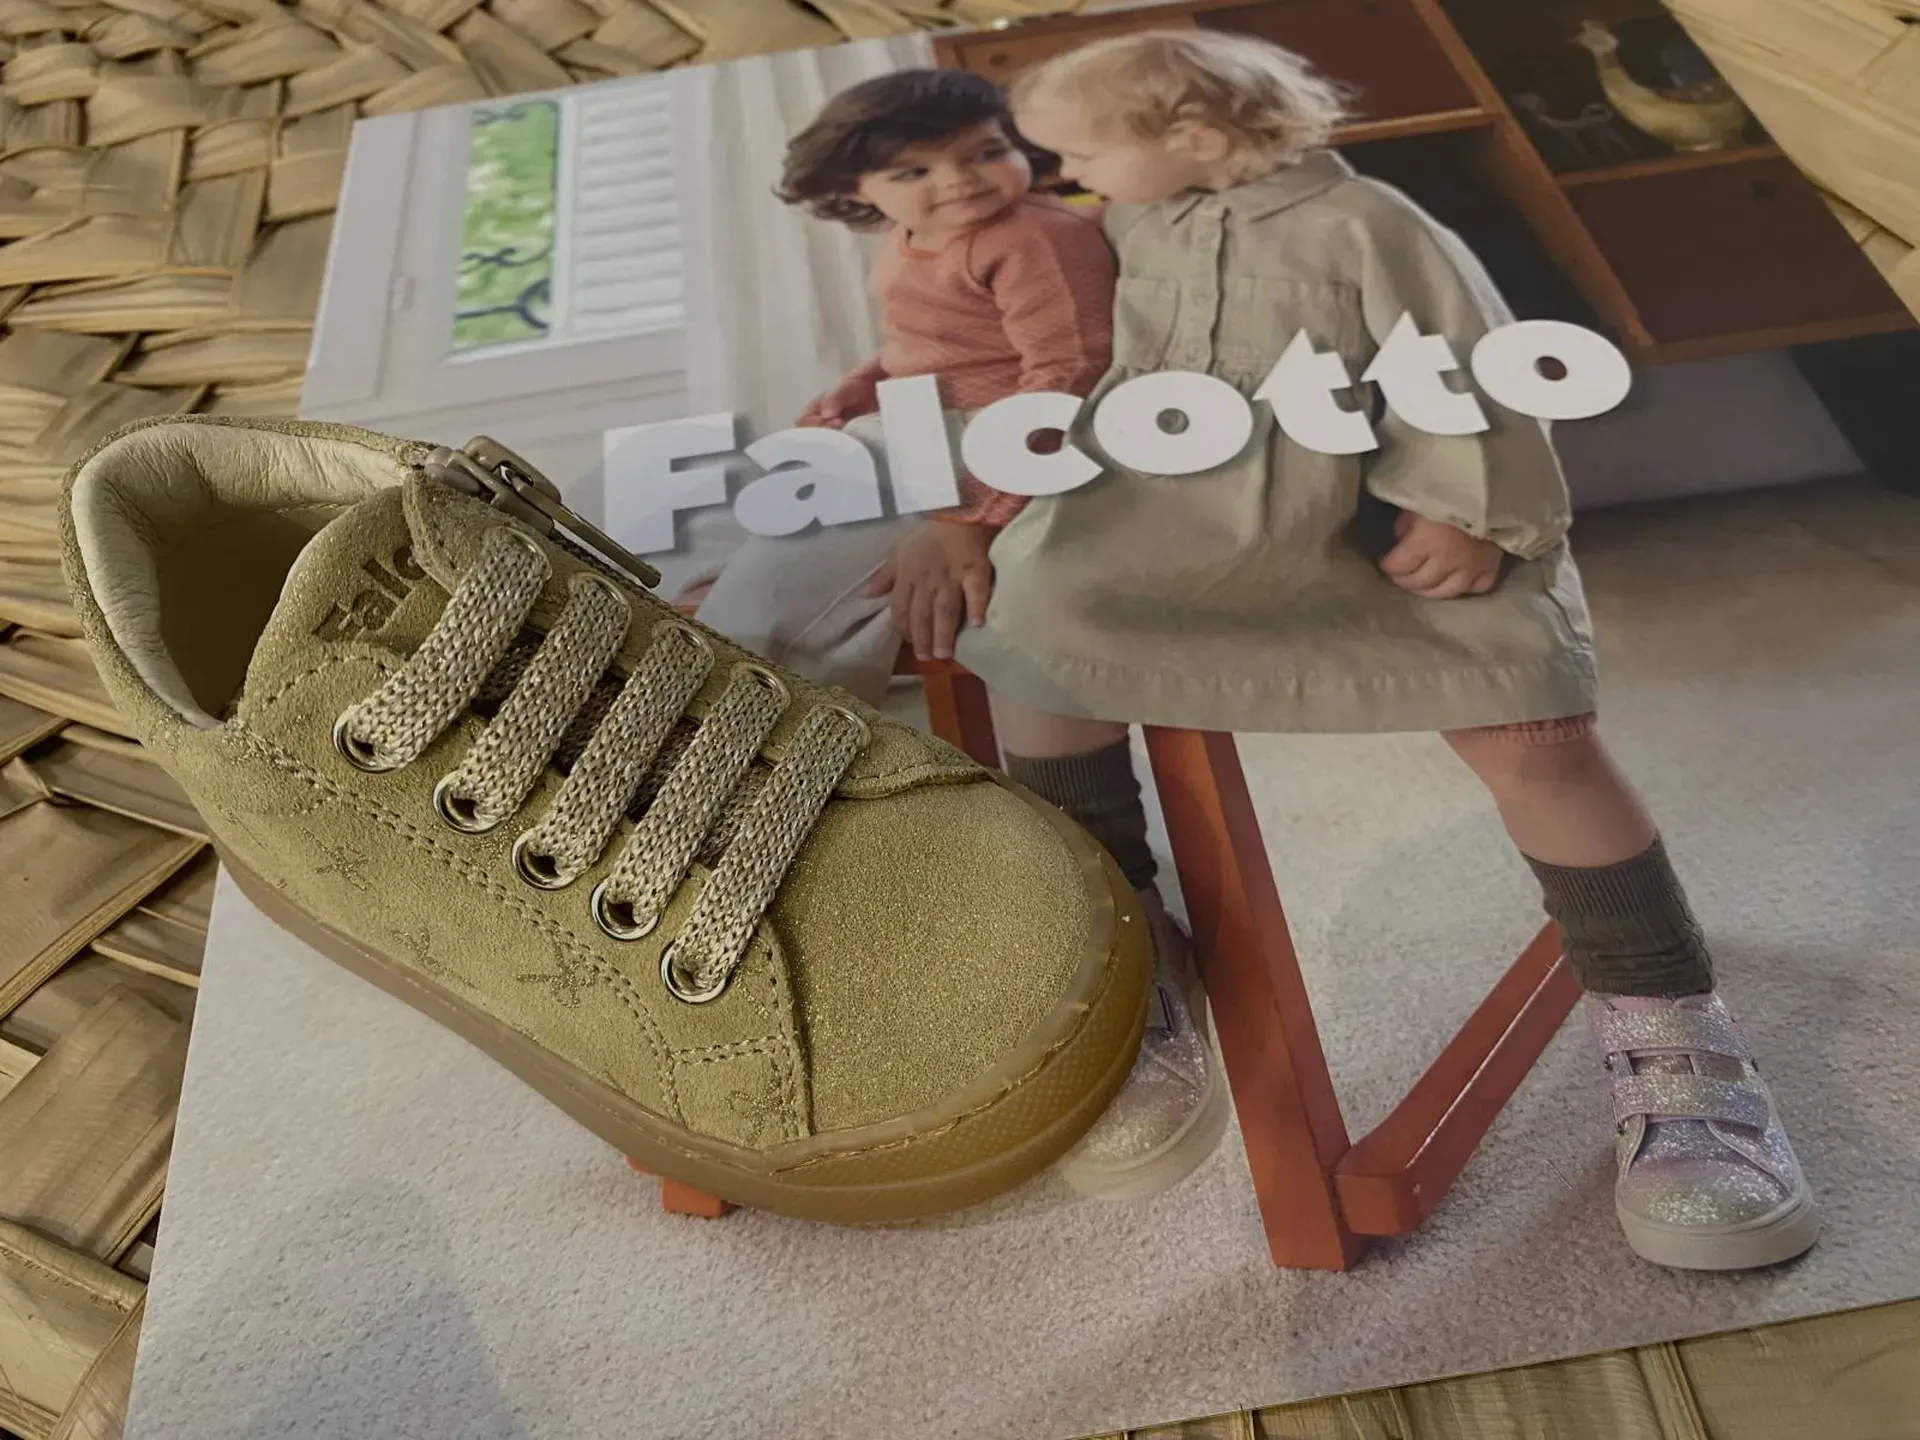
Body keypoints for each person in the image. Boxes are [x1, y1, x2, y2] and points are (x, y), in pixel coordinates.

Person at [914, 29, 1816, 1269]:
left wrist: (1467, 512)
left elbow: (1471, 360)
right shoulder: (1129, 223)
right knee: (1041, 614)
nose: (1061, 175)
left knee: (1531, 721)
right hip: (1169, 520)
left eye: (1082, 152)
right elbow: (1008, 347)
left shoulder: (1366, 222)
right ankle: (1120, 932)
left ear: (1194, 137)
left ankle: (1668, 1018)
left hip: (1382, 521)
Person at [682, 67, 1116, 711]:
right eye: (914, 172)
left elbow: (1069, 375)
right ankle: (724, 643)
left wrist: (972, 516)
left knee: (767, 603)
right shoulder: (908, 239)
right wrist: (863, 384)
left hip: (984, 446)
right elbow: (934, 337)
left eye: (987, 153)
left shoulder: (1035, 238)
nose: (960, 180)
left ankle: (745, 715)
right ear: (855, 188)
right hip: (913, 428)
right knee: (712, 523)